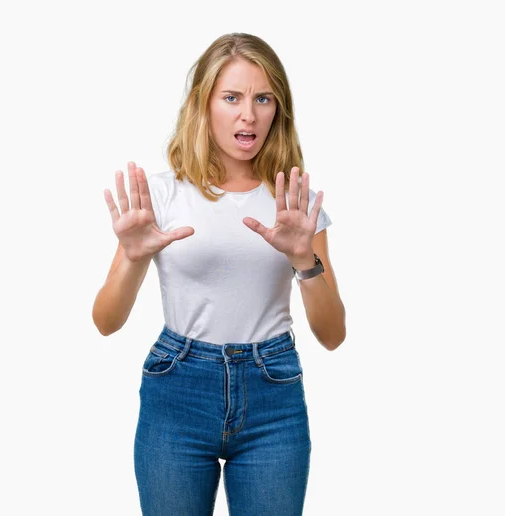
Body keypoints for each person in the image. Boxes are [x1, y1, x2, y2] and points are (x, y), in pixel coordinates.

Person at [92, 32, 346, 516]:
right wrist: (132, 255)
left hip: (273, 395)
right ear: (203, 105)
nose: (248, 114)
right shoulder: (162, 196)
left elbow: (332, 334)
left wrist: (302, 261)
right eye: (232, 97)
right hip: (178, 388)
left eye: (262, 98)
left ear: (278, 110)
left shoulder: (296, 205)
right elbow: (105, 321)